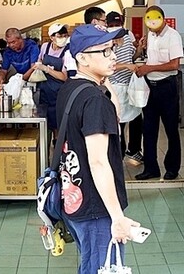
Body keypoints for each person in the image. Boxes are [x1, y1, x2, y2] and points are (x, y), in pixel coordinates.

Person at [57, 24, 140, 274]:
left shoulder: (72, 89)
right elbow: (98, 162)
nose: (112, 56)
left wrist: (105, 76)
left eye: (112, 49)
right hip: (96, 207)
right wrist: (117, 217)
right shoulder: (94, 100)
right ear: (82, 58)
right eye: (104, 51)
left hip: (75, 200)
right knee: (99, 267)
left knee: (90, 262)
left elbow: (115, 113)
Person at [134, 6, 183, 181]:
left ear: (162, 18)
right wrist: (141, 51)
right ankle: (151, 168)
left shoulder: (173, 36)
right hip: (150, 87)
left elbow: (175, 64)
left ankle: (172, 168)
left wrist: (149, 68)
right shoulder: (151, 35)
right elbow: (151, 59)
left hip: (167, 87)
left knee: (171, 129)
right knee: (148, 129)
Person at [106, 11, 143, 166]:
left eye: (118, 24)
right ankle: (118, 155)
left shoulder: (128, 36)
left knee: (136, 118)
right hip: (114, 86)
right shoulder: (106, 41)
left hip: (130, 85)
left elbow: (131, 58)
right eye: (112, 25)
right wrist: (127, 66)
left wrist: (139, 49)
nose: (115, 27)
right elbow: (108, 66)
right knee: (118, 122)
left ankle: (134, 150)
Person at [31, 23, 76, 135]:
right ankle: (46, 143)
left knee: (58, 122)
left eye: (65, 35)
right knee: (44, 121)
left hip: (59, 92)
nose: (63, 38)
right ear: (51, 37)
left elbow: (64, 77)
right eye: (60, 36)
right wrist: (38, 66)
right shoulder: (45, 47)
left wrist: (47, 69)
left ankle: (58, 142)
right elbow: (40, 60)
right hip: (44, 90)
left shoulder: (68, 51)